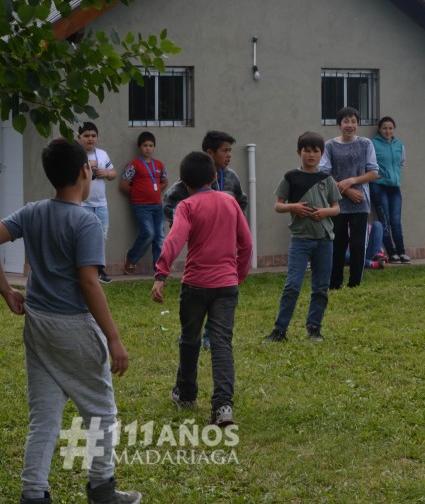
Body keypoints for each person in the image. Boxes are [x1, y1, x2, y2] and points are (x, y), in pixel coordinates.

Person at [0, 138, 140, 504]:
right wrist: (114, 338)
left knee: (43, 417)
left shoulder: (32, 212)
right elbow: (89, 283)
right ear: (85, 172)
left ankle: (33, 494)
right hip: (73, 326)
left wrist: (7, 292)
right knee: (101, 412)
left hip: (38, 324)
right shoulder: (86, 222)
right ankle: (102, 490)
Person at [152, 151, 253, 427]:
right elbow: (246, 244)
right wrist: (238, 275)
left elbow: (174, 239)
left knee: (190, 339)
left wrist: (161, 273)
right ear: (213, 177)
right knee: (221, 344)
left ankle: (185, 394)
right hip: (226, 285)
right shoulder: (230, 202)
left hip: (195, 285)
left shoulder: (185, 206)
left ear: (184, 183)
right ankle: (223, 408)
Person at [162, 130, 248, 350]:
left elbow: (241, 202)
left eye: (230, 150)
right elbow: (170, 203)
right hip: (200, 244)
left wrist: (231, 223)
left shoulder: (231, 178)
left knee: (221, 292)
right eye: (225, 151)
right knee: (201, 288)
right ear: (210, 153)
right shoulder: (185, 184)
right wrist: (185, 225)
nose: (229, 155)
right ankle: (191, 335)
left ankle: (212, 334)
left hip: (225, 245)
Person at [264, 132, 341, 343]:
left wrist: (325, 212)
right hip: (300, 240)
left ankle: (314, 329)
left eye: (316, 151)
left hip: (324, 240)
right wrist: (294, 207)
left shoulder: (327, 179)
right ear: (299, 152)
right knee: (292, 286)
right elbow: (278, 205)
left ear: (321, 154)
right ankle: (280, 330)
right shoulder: (290, 177)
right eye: (307, 150)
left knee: (321, 287)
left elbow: (336, 208)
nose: (311, 155)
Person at [319, 107, 379, 289]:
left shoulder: (366, 144)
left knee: (358, 244)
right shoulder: (329, 146)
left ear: (358, 124)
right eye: (346, 121)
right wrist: (345, 190)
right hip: (336, 203)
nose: (350, 125)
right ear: (339, 125)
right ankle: (335, 283)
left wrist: (352, 181)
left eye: (353, 121)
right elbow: (323, 173)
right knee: (337, 244)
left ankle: (355, 283)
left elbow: (374, 172)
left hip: (360, 203)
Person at [120, 131, 168, 274]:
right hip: (141, 206)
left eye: (151, 145)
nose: (148, 148)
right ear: (139, 147)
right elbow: (123, 184)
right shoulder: (134, 165)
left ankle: (159, 269)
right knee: (148, 233)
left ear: (154, 147)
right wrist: (137, 194)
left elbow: (164, 181)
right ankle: (131, 257)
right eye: (145, 145)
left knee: (159, 236)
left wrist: (157, 190)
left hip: (157, 206)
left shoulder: (159, 164)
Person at [78, 122, 118, 284]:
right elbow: (72, 177)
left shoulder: (102, 154)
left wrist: (106, 173)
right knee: (83, 237)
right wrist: (86, 166)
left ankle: (99, 271)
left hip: (101, 204)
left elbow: (114, 173)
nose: (90, 139)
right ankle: (83, 269)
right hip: (83, 204)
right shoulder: (77, 155)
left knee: (102, 237)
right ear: (78, 137)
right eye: (86, 136)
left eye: (93, 136)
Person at [371, 116, 409, 263]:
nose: (388, 131)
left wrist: (394, 175)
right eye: (384, 128)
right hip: (378, 186)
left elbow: (402, 164)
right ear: (380, 130)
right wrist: (378, 175)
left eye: (390, 128)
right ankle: (391, 252)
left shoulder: (399, 145)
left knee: (396, 220)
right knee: (385, 220)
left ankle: (402, 252)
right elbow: (369, 164)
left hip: (394, 187)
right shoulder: (373, 144)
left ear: (394, 129)